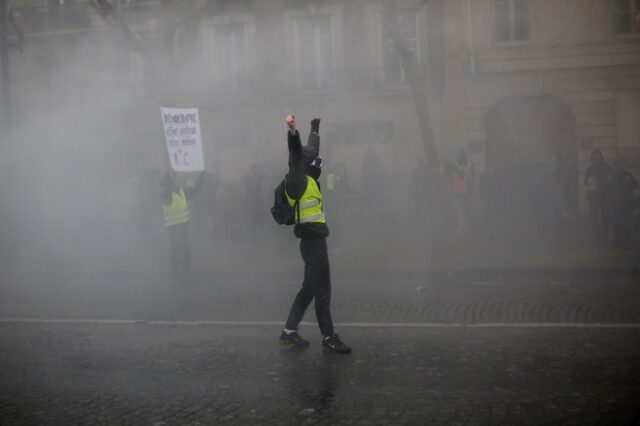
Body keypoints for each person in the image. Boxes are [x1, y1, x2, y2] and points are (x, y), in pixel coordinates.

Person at [279, 114, 351, 354]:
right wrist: (293, 132)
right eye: (313, 161)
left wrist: (315, 131)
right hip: (312, 241)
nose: (318, 163)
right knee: (322, 289)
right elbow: (297, 153)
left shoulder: (310, 179)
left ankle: (289, 331)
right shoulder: (298, 178)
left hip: (313, 240)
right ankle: (329, 337)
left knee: (309, 288)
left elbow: (313, 154)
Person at [161, 170, 205, 285]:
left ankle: (185, 273)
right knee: (175, 251)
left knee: (185, 250)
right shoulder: (165, 193)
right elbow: (166, 192)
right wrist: (170, 177)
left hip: (184, 226)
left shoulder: (182, 191)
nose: (177, 181)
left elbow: (195, 189)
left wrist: (202, 176)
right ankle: (175, 274)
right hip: (173, 227)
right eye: (174, 180)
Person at [605, 159, 638, 248]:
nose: (620, 167)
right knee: (616, 224)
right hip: (615, 205)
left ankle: (627, 241)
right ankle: (617, 240)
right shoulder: (611, 176)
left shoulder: (628, 175)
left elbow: (635, 187)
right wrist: (608, 204)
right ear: (614, 166)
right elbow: (607, 191)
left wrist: (635, 201)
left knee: (627, 224)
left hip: (626, 205)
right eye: (618, 165)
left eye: (622, 165)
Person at [584, 149, 612, 242]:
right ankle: (597, 236)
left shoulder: (607, 166)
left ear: (601, 158)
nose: (597, 159)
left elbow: (610, 179)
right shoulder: (590, 168)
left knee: (606, 216)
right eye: (595, 158)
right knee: (594, 217)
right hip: (594, 196)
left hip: (606, 195)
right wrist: (590, 191)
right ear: (592, 159)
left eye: (598, 157)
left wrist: (604, 186)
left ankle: (605, 235)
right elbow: (587, 182)